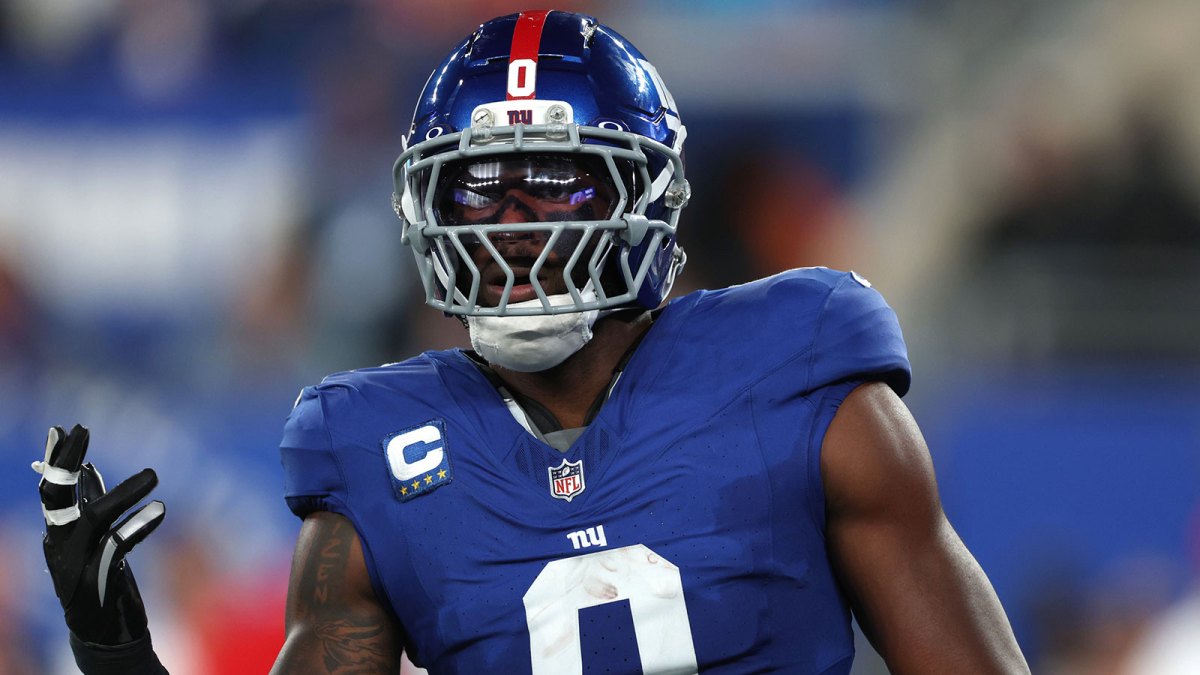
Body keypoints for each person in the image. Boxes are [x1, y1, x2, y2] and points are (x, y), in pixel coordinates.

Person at [36, 10, 1030, 674]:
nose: (512, 223)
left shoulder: (802, 379)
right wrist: (117, 654)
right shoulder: (375, 455)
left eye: (551, 181)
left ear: (644, 195)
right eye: (478, 187)